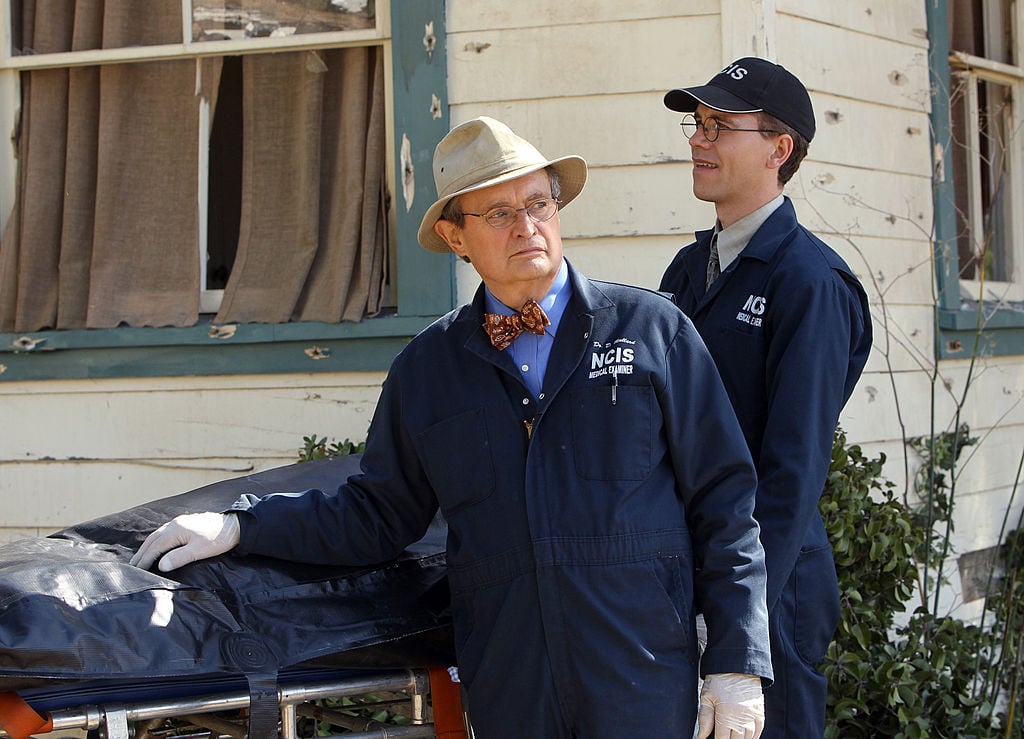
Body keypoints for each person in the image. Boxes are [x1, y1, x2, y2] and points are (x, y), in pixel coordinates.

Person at [132, 116, 773, 738]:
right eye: (498, 213)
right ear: (455, 235)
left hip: (646, 676)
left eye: (539, 204)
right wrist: (242, 524)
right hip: (511, 686)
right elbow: (376, 515)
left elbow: (724, 503)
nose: (527, 226)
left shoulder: (650, 330)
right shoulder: (428, 370)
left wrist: (737, 663)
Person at [658, 59, 873, 738]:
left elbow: (791, 473)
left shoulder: (809, 282)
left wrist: (735, 628)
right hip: (688, 573)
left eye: (721, 125)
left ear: (779, 149)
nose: (699, 139)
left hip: (767, 591)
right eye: (698, 123)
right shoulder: (688, 271)